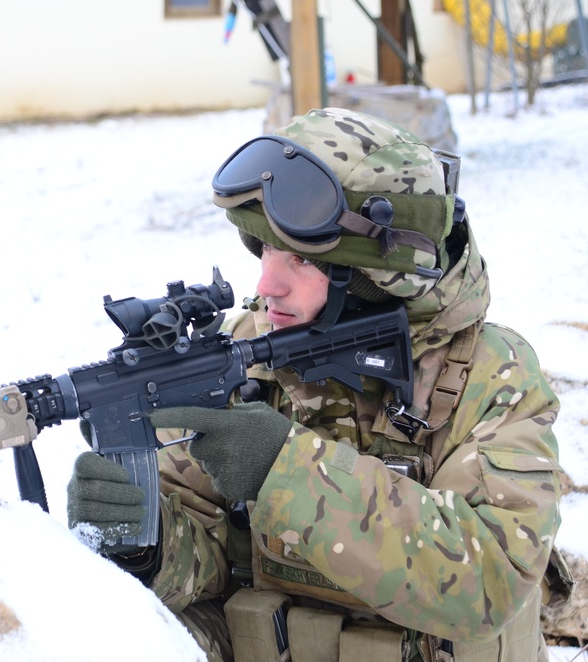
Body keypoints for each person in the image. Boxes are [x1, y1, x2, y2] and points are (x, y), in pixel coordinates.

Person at [66, 108, 569, 662]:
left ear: (376, 276)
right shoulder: (251, 349)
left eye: (301, 259)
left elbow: (487, 583)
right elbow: (209, 551)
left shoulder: (492, 373)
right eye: (263, 250)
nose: (266, 285)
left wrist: (287, 470)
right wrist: (148, 540)